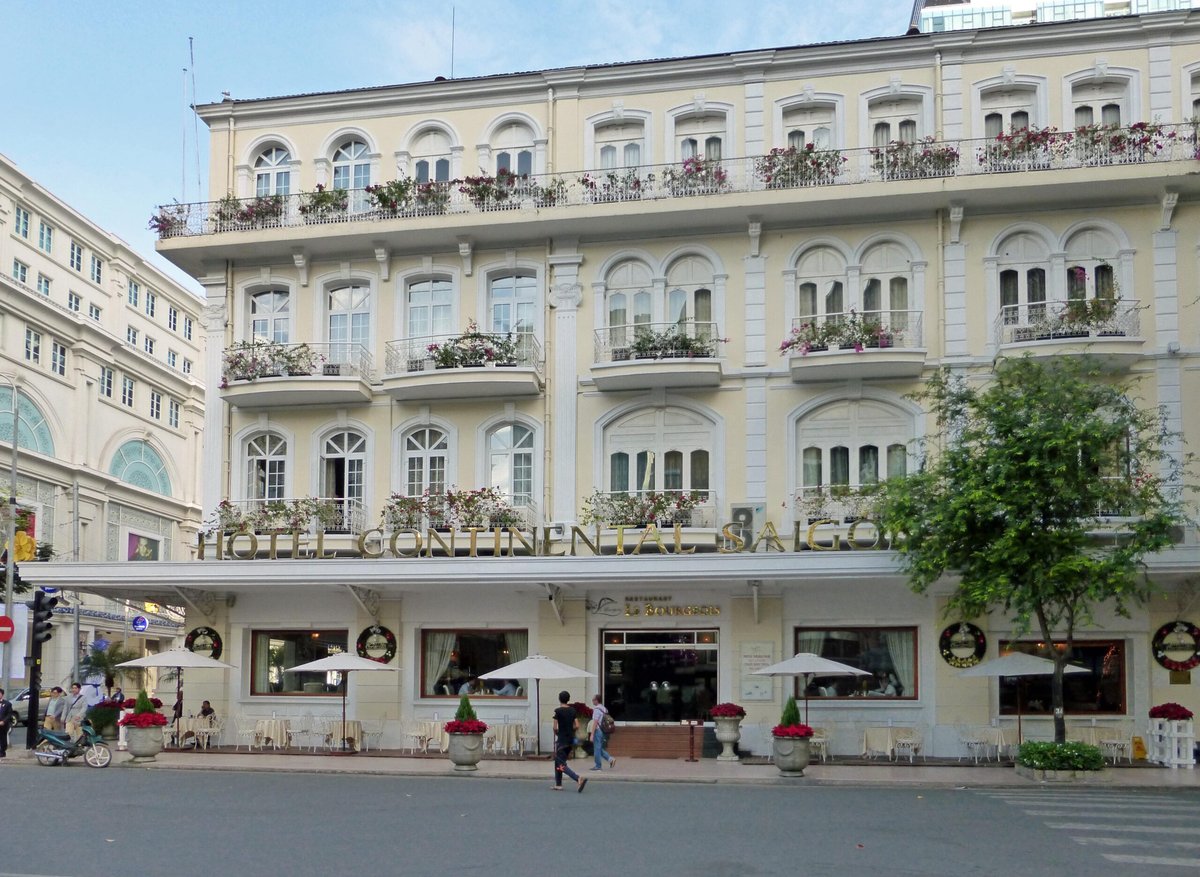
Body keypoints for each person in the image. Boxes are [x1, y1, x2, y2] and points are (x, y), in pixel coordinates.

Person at [552, 690, 587, 792]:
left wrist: (557, 733)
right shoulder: (572, 711)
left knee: (560, 764)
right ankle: (558, 784)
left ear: (559, 699)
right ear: (568, 699)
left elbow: (554, 727)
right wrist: (571, 730)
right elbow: (577, 725)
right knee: (558, 761)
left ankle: (577, 778)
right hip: (570, 741)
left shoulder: (557, 711)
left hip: (561, 740)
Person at [589, 694, 615, 771]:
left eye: (593, 700)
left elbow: (595, 722)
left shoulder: (596, 710)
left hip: (598, 730)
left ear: (597, 700)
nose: (592, 701)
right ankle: (610, 759)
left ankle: (598, 766)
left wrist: (592, 734)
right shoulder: (604, 709)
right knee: (599, 748)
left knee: (597, 749)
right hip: (604, 731)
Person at [0, 688, 12, 758]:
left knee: (3, 738)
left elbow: (9, 714)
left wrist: (4, 721)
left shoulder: (7, 704)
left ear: (2, 694)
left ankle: (2, 751)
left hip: (3, 724)